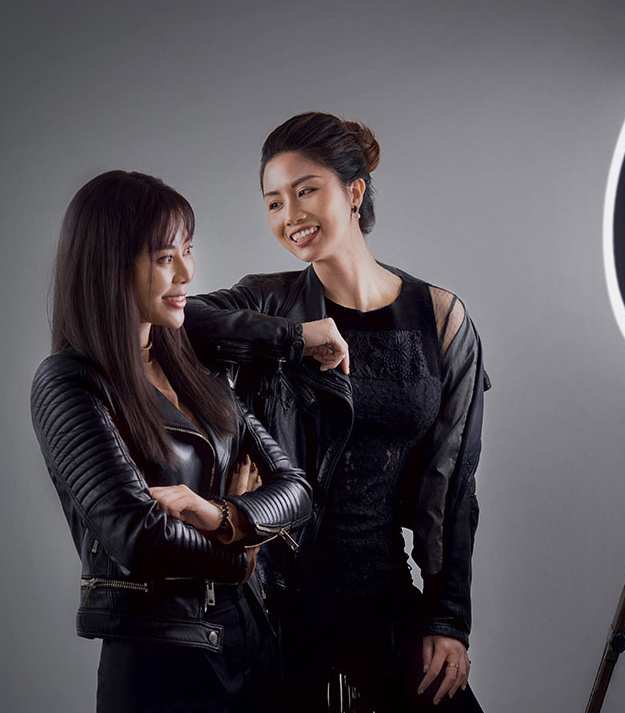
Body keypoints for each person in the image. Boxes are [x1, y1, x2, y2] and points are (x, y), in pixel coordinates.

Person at [184, 112, 488, 712]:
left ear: (354, 191)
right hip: (277, 598)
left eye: (305, 191)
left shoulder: (442, 317)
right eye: (273, 203)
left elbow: (452, 481)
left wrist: (448, 620)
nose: (290, 216)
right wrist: (292, 338)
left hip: (383, 589)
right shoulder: (269, 298)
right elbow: (176, 320)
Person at [30, 170, 313, 713]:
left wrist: (222, 516)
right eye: (165, 258)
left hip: (253, 650)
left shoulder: (194, 366)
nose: (188, 272)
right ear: (110, 267)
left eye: (187, 251)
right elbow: (136, 534)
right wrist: (240, 558)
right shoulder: (69, 381)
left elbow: (295, 487)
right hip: (161, 665)